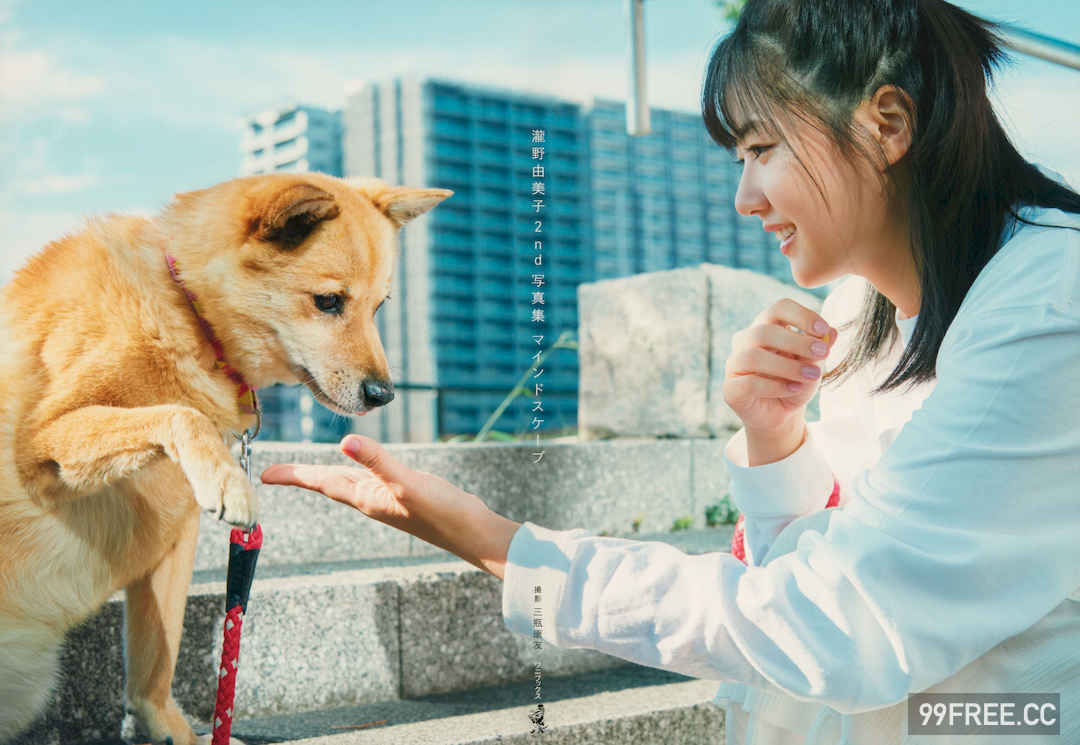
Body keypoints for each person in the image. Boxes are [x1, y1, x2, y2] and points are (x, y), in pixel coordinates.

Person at [260, 1, 1080, 742]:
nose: (745, 198)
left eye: (762, 148)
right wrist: (777, 440)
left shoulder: (1047, 312)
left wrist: (503, 545)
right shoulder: (857, 312)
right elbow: (818, 577)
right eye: (737, 159)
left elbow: (835, 628)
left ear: (887, 123)